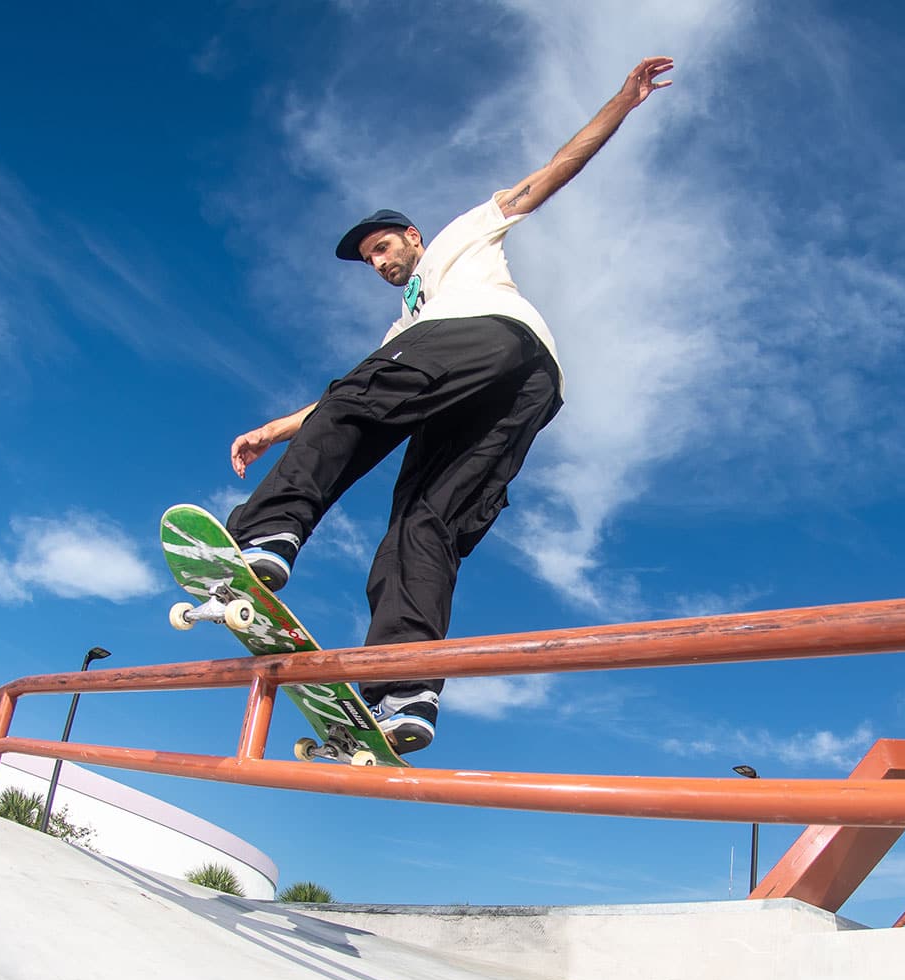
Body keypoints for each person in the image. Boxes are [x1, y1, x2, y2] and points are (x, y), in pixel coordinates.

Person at [223, 56, 676, 754]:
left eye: (383, 247)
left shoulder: (464, 237)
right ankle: (405, 687)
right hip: (531, 385)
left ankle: (264, 536)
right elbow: (341, 406)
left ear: (412, 237)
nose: (379, 263)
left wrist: (622, 101)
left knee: (358, 396)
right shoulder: (404, 329)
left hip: (484, 338)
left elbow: (551, 172)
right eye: (369, 259)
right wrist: (273, 431)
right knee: (425, 523)